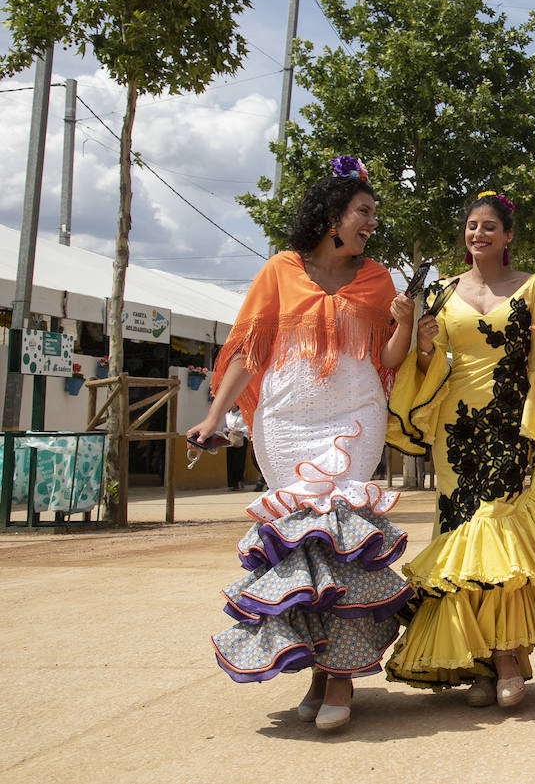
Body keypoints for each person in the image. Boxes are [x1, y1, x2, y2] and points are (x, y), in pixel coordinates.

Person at [192, 157, 417, 731]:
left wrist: (406, 323)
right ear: (332, 216)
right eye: (364, 211)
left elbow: (389, 359)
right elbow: (249, 352)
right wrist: (215, 416)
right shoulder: (279, 270)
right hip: (285, 420)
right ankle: (321, 670)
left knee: (342, 539)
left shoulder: (378, 278)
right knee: (303, 550)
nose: (372, 222)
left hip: (356, 415)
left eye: (373, 213)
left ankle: (340, 678)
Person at [384, 192, 535, 708]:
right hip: (454, 432)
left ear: (508, 235)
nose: (478, 234)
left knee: (500, 538)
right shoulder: (440, 291)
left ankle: (504, 659)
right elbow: (428, 364)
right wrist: (425, 346)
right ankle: (478, 665)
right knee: (460, 542)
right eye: (472, 226)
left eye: (489, 227)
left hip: (511, 425)